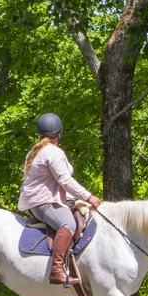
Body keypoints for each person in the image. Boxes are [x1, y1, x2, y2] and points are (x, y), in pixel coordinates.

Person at [19, 112, 95, 285]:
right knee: (69, 224)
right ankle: (57, 270)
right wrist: (89, 196)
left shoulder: (35, 150)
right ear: (59, 133)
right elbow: (65, 180)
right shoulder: (53, 152)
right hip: (43, 202)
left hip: (45, 199)